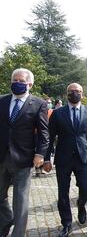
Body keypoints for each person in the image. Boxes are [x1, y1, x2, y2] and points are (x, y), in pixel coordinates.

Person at [44, 83, 87, 237]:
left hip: (84, 157)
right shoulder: (57, 113)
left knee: (86, 187)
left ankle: (81, 204)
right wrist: (46, 158)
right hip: (63, 157)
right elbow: (50, 137)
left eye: (77, 91)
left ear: (82, 94)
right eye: (71, 91)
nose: (74, 93)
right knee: (63, 192)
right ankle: (66, 223)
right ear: (66, 94)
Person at [0, 68, 49, 237]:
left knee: (20, 201)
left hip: (23, 158)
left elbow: (44, 132)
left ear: (30, 84)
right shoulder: (2, 101)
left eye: (21, 81)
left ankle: (18, 234)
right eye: (15, 80)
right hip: (1, 157)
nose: (17, 83)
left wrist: (40, 154)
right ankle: (6, 218)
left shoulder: (38, 104)